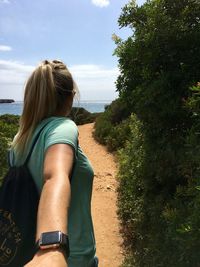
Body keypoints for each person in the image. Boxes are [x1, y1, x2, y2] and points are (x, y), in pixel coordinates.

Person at [9, 60, 98, 267]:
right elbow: (54, 176)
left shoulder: (19, 140)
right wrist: (51, 247)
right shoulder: (63, 127)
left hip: (24, 255)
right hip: (71, 259)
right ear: (70, 96)